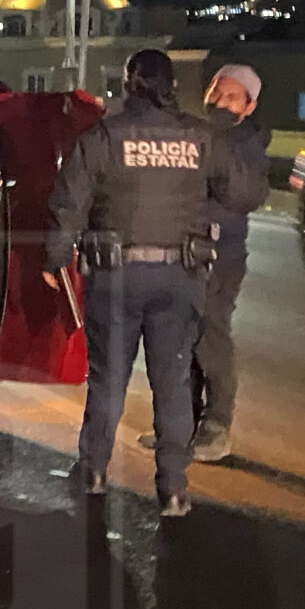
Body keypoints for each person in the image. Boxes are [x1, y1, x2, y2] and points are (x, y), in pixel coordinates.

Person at [45, 49, 256, 517]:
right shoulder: (199, 137)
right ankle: (173, 489)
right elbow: (241, 193)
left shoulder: (104, 135)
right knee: (173, 382)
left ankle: (94, 472)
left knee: (108, 381)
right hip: (179, 278)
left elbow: (69, 201)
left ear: (129, 84)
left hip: (115, 276)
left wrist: (55, 257)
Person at [138, 63, 267, 462]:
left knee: (211, 336)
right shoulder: (193, 133)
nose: (221, 103)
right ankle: (182, 424)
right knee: (179, 339)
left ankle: (217, 425)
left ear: (249, 106)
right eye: (216, 93)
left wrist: (218, 144)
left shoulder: (247, 143)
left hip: (219, 255)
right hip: (180, 252)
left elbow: (245, 196)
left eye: (232, 97)